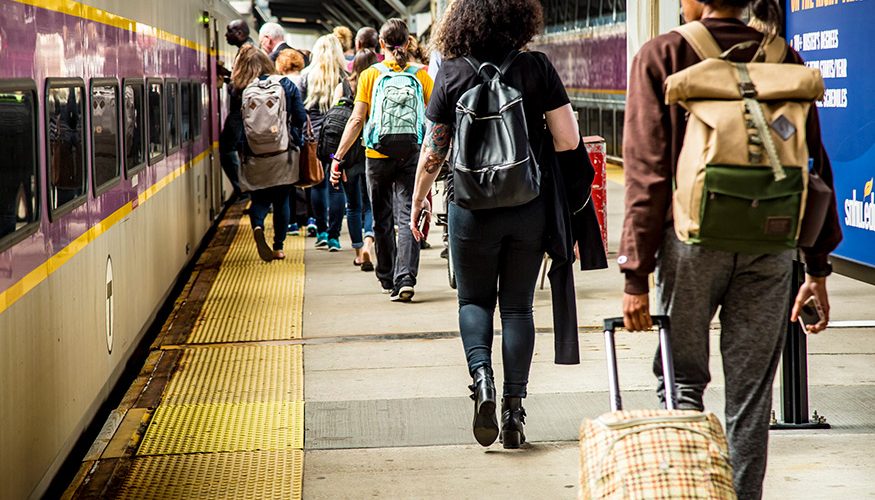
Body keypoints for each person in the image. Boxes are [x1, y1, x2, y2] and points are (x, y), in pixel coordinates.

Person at [619, 1, 842, 497]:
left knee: (681, 384)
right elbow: (814, 167)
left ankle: (689, 492)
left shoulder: (664, 54)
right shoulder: (786, 59)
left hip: (691, 246)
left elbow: (647, 176)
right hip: (771, 242)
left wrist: (635, 273)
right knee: (751, 399)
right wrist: (817, 268)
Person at [406, 0, 584, 448]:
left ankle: (481, 379)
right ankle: (513, 410)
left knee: (474, 301)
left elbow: (433, 153)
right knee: (519, 309)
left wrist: (418, 200)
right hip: (528, 206)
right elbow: (567, 140)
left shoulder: (450, 72)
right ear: (519, 20)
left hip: (471, 209)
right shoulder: (536, 68)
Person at [330, 18, 433, 302]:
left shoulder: (370, 75)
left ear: (382, 45)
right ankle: (406, 278)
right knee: (409, 215)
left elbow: (356, 120)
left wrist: (337, 157)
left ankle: (387, 276)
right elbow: (437, 121)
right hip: (412, 154)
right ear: (408, 42)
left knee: (381, 218)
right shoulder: (422, 74)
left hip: (376, 155)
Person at [232, 45, 307, 261]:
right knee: (282, 198)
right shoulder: (285, 85)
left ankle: (257, 225)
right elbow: (301, 117)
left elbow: (237, 126)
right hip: (282, 151)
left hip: (254, 154)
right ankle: (278, 246)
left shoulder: (242, 89)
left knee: (260, 198)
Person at [301, 35, 349, 251]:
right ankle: (333, 237)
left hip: (314, 142)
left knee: (317, 184)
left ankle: (320, 230)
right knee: (335, 184)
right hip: (335, 142)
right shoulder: (344, 77)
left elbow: (300, 111)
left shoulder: (306, 76)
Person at [332, 49, 378, 271]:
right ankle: (370, 241)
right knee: (371, 204)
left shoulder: (343, 86)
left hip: (349, 154)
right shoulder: (377, 81)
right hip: (371, 151)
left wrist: (336, 158)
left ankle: (359, 252)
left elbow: (336, 122)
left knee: (353, 205)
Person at [219, 20, 256, 199]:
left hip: (240, 111)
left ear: (240, 33)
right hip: (246, 110)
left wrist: (229, 83)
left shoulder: (246, 52)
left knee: (226, 148)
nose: (226, 36)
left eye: (229, 31)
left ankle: (243, 189)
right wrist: (228, 75)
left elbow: (241, 85)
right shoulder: (249, 49)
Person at [276, 47, 310, 235]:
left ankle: (293, 222)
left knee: (289, 181)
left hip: (288, 138)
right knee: (311, 176)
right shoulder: (306, 79)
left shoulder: (282, 83)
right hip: (308, 137)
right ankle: (312, 218)